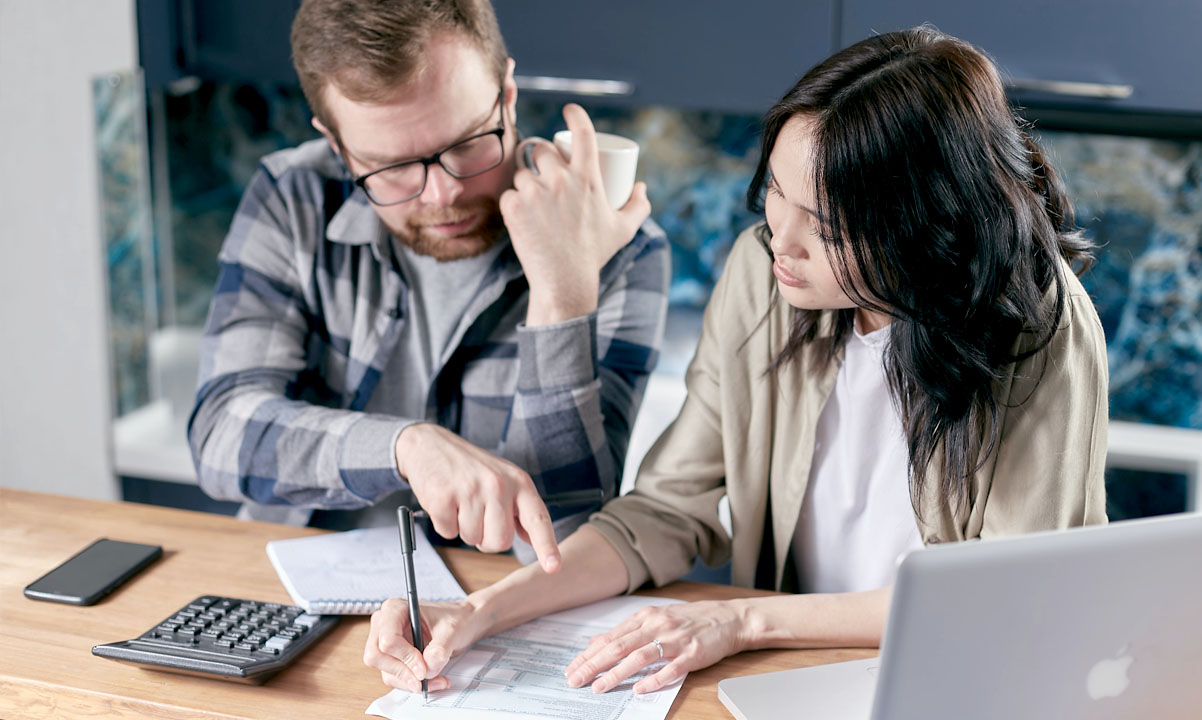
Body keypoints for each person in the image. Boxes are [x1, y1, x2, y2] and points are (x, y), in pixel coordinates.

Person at [363, 27, 1109, 695]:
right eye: (776, 195)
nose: (778, 240)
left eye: (822, 226)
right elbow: (662, 511)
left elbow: (1006, 597)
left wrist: (744, 623)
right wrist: (480, 611)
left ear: (923, 227)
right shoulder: (764, 275)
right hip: (787, 680)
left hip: (955, 684)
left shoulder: (1042, 327)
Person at [187, 0, 670, 571]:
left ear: (507, 95)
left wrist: (561, 297)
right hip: (298, 586)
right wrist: (406, 448)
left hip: (497, 611)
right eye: (391, 167)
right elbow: (221, 433)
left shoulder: (620, 246)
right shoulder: (293, 197)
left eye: (467, 144)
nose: (443, 195)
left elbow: (567, 543)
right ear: (338, 145)